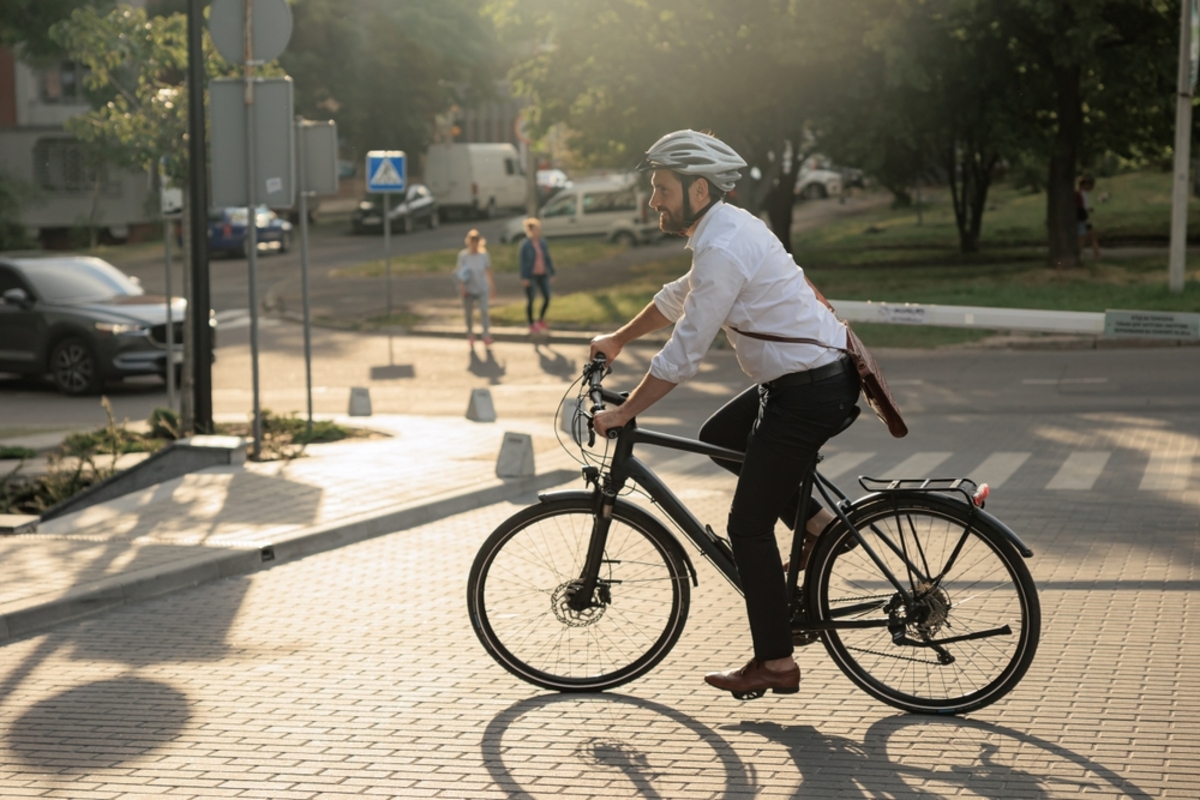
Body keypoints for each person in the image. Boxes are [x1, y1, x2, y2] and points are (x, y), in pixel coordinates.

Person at [589, 130, 862, 697]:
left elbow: (684, 351)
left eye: (662, 189)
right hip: (803, 381)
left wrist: (625, 413)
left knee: (747, 527)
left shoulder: (723, 246)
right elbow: (678, 297)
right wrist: (618, 337)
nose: (653, 201)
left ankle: (776, 663)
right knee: (720, 436)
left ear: (698, 189)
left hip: (808, 392)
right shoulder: (725, 230)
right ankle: (819, 522)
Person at [455, 229, 496, 346]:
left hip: (482, 287)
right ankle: (470, 334)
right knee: (468, 313)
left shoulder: (484, 255)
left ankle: (486, 335)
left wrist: (492, 288)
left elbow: (488, 271)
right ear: (469, 242)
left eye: (476, 241)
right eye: (472, 241)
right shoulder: (463, 256)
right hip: (468, 289)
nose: (474, 244)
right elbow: (460, 273)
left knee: (484, 311)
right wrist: (462, 288)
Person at [519, 218, 555, 333]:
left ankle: (540, 320)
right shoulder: (525, 245)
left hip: (542, 274)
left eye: (539, 229)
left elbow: (547, 258)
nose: (538, 231)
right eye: (536, 229)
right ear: (530, 230)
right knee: (531, 300)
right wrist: (524, 277)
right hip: (531, 275)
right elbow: (523, 262)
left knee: (547, 297)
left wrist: (552, 272)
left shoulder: (543, 243)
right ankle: (531, 323)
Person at [1076, 176, 1100, 259]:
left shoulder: (1084, 194)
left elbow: (1084, 207)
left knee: (1085, 236)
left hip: (1083, 217)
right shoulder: (1080, 194)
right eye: (1089, 185)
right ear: (1085, 185)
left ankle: (1096, 253)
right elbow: (1080, 208)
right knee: (1084, 237)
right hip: (1083, 218)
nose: (1091, 188)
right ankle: (1095, 254)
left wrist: (1088, 209)